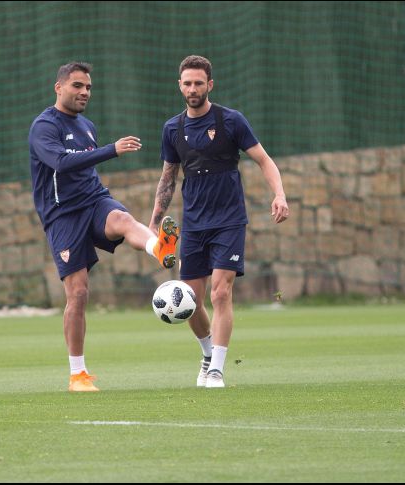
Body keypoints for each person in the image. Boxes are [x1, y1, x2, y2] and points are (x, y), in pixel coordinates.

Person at [28, 61, 179, 392]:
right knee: (79, 293)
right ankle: (78, 375)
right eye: (78, 86)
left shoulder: (87, 126)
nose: (85, 92)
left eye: (89, 87)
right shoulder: (44, 126)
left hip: (94, 201)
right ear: (59, 88)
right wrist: (111, 150)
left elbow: (86, 171)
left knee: (124, 219)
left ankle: (159, 247)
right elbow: (62, 163)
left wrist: (103, 170)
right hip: (62, 215)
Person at [149, 55, 289, 389]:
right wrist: (154, 223)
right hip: (194, 223)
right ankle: (208, 353)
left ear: (210, 85)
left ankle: (217, 370)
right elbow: (168, 178)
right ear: (179, 86)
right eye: (187, 83)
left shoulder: (231, 121)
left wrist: (280, 194)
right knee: (189, 299)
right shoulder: (172, 128)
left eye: (199, 82)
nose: (193, 88)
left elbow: (264, 161)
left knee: (221, 293)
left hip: (229, 220)